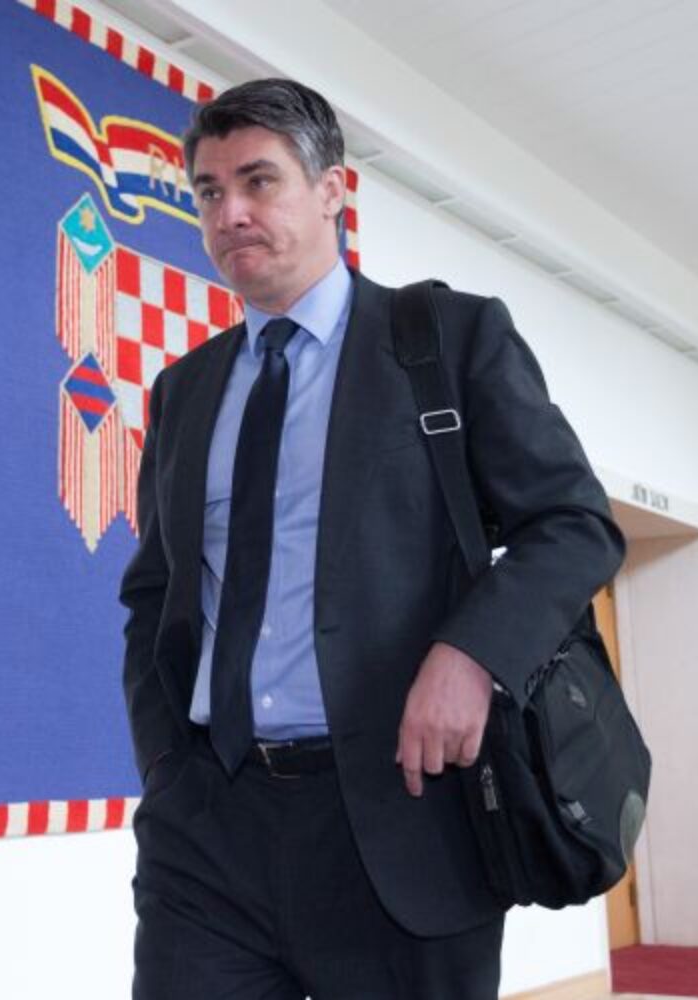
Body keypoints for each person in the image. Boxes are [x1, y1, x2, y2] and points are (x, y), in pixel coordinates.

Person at [119, 77, 625, 1000]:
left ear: (331, 191)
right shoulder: (182, 391)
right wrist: (164, 764)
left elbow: (574, 525)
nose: (229, 213)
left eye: (258, 181)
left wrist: (472, 654)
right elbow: (155, 590)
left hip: (406, 817)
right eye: (208, 191)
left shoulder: (448, 339)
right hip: (208, 829)